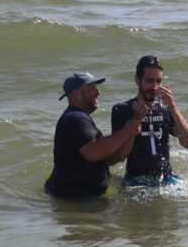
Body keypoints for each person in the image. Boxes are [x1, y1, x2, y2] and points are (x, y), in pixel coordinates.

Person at [45, 71, 149, 199]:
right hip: (75, 201)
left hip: (82, 198)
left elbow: (113, 158)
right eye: (92, 88)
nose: (98, 92)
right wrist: (126, 131)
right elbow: (93, 153)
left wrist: (133, 126)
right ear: (76, 94)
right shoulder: (76, 118)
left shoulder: (79, 118)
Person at [110, 55, 188, 186]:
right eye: (150, 81)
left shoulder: (164, 108)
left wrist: (173, 107)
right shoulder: (122, 110)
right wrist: (136, 120)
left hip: (166, 177)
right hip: (136, 179)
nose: (155, 87)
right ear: (137, 81)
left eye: (159, 81)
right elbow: (119, 156)